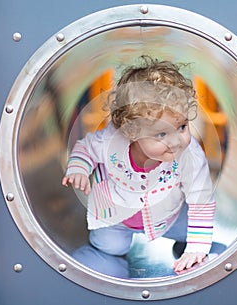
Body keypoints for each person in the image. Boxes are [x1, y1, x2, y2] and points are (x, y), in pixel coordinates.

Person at [62, 56, 216, 273]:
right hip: (116, 215)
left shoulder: (189, 154)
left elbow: (201, 200)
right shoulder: (112, 141)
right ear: (132, 132)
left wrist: (197, 248)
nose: (176, 141)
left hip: (168, 215)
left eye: (182, 126)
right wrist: (78, 168)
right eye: (161, 133)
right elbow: (85, 147)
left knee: (188, 231)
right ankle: (105, 258)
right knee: (110, 247)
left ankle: (184, 249)